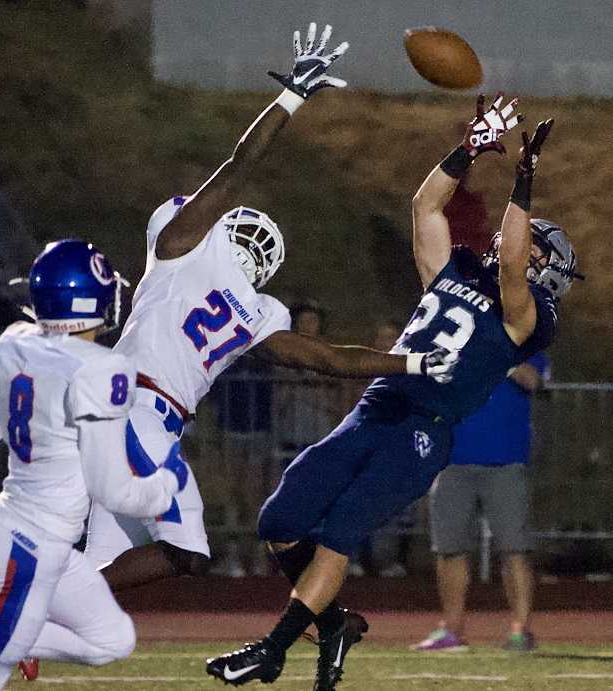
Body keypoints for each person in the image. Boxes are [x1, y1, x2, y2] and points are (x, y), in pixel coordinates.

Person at [206, 95, 581, 690]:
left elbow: (512, 267)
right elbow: (424, 206)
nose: (515, 244)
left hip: (422, 429)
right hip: (376, 406)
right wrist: (469, 149)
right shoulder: (455, 271)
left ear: (547, 270)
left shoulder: (527, 319)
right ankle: (331, 628)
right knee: (281, 517)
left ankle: (273, 648)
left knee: (340, 531)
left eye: (531, 244)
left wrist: (522, 181)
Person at [81, 21, 455, 596]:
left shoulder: (179, 247)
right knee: (185, 551)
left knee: (98, 571)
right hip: (147, 416)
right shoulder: (252, 308)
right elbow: (328, 359)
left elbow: (237, 168)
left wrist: (290, 96)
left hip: (107, 399)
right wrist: (411, 363)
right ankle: (42, 601)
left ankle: (27, 630)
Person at [0, 239, 191, 691]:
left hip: (33, 541)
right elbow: (111, 488)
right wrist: (165, 484)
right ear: (91, 300)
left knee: (111, 639)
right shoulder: (101, 369)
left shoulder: (15, 344)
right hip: (28, 550)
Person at [412, 350, 549, 653]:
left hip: (505, 460)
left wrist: (498, 354)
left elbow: (533, 381)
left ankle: (520, 630)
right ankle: (452, 629)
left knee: (513, 548)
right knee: (449, 548)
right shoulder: (455, 338)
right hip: (451, 460)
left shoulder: (523, 340)